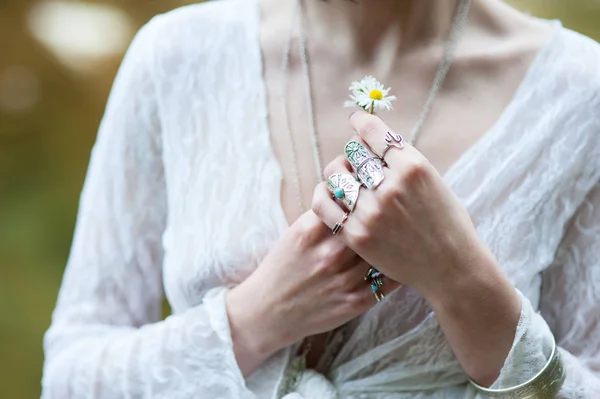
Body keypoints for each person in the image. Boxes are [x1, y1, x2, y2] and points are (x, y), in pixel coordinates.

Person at [42, 0, 600, 397]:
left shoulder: (578, 94)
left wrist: (460, 278)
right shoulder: (178, 58)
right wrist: (250, 322)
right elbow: (69, 376)